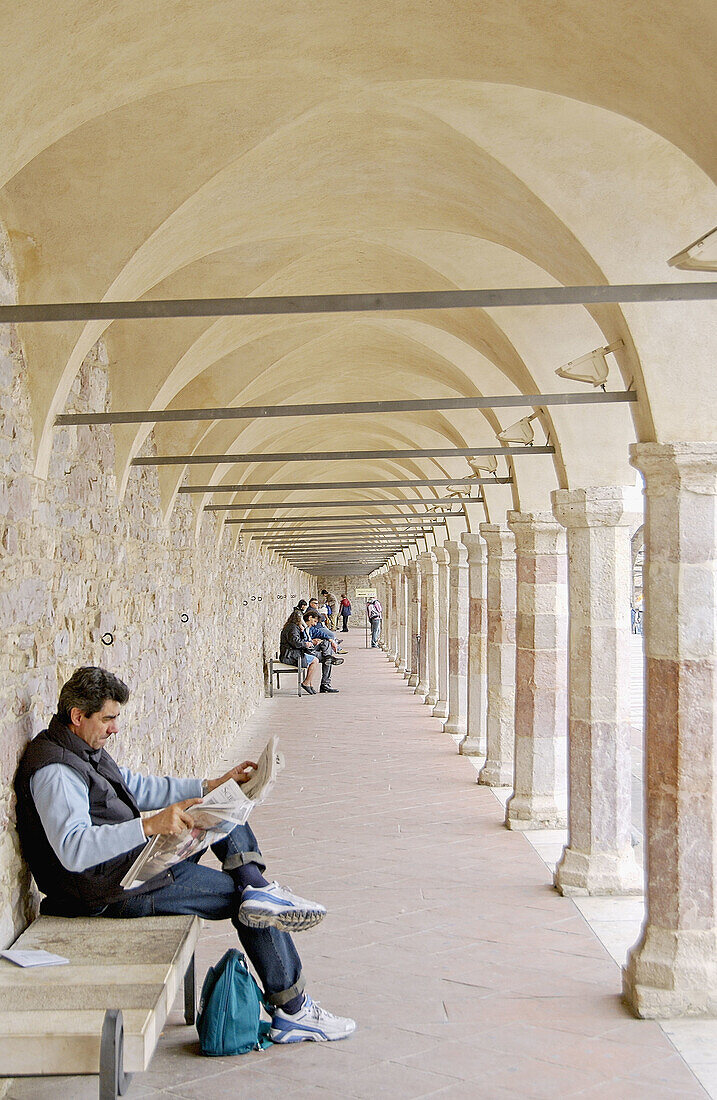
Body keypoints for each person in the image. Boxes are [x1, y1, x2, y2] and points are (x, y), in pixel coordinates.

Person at [14, 666, 356, 1043]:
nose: (115, 728)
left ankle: (257, 884)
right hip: (110, 892)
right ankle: (294, 1010)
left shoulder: (82, 747)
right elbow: (74, 850)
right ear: (78, 716)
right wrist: (148, 827)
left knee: (221, 811)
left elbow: (137, 787)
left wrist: (213, 785)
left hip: (127, 867)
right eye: (108, 719)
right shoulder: (56, 771)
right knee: (246, 905)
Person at [280, 610, 339, 695]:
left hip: (298, 652)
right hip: (291, 655)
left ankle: (327, 659)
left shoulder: (297, 628)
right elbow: (296, 642)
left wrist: (312, 641)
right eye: (314, 621)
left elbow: (317, 634)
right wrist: (308, 643)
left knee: (326, 644)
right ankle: (310, 683)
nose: (315, 624)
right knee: (319, 660)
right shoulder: (293, 628)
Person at [280, 609, 322, 694]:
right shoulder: (292, 627)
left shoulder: (293, 627)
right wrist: (306, 644)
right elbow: (295, 642)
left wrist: (302, 632)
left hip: (291, 653)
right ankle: (306, 682)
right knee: (315, 660)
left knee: (314, 658)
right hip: (289, 655)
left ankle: (309, 683)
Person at [303, 611, 343, 693]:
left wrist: (331, 640)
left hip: (311, 649)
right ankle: (325, 684)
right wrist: (312, 642)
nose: (314, 624)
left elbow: (320, 633)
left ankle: (328, 657)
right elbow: (300, 642)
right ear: (310, 617)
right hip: (306, 651)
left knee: (326, 642)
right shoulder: (301, 629)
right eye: (314, 621)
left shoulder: (310, 628)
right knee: (328, 659)